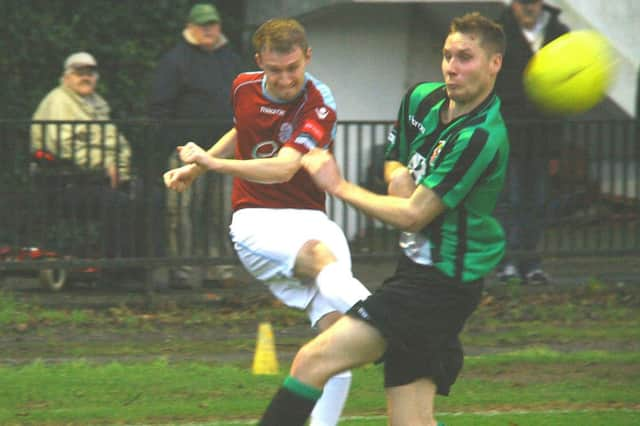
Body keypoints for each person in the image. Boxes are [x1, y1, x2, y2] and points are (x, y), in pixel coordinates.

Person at [257, 12, 508, 426]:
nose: (451, 67)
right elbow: (395, 158)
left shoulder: (479, 137)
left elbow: (413, 215)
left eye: (465, 57)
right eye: (448, 55)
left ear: (493, 64)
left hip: (441, 286)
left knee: (312, 361)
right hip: (416, 273)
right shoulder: (422, 100)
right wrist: (397, 176)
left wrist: (338, 186)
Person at [164, 18, 371, 426]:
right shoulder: (243, 85)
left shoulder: (320, 100)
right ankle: (395, 322)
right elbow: (241, 129)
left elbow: (283, 169)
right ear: (260, 62)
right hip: (255, 219)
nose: (284, 78)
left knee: (337, 343)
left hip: (310, 216)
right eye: (275, 70)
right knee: (319, 257)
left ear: (307, 58)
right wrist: (199, 168)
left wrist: (210, 163)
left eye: (293, 68)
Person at [149, 3, 242, 288]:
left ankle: (220, 270)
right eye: (202, 25)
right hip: (186, 152)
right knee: (181, 213)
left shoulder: (230, 59)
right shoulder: (175, 60)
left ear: (219, 27)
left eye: (212, 24)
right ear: (190, 27)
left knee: (221, 212)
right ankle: (184, 273)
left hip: (223, 151)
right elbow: (159, 107)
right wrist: (174, 142)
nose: (208, 30)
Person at [31, 52, 137, 259]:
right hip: (65, 184)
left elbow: (120, 144)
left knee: (147, 198)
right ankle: (113, 269)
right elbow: (64, 147)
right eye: (79, 73)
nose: (86, 77)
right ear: (67, 77)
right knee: (118, 203)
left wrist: (120, 171)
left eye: (90, 73)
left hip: (99, 181)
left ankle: (138, 269)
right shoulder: (58, 102)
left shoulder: (97, 104)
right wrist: (105, 167)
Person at [494, 0, 569, 285]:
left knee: (536, 202)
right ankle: (508, 262)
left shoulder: (558, 34)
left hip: (541, 135)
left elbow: (563, 92)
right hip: (508, 133)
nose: (529, 9)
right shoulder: (499, 34)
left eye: (533, 3)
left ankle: (531, 262)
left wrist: (555, 146)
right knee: (509, 201)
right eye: (523, 3)